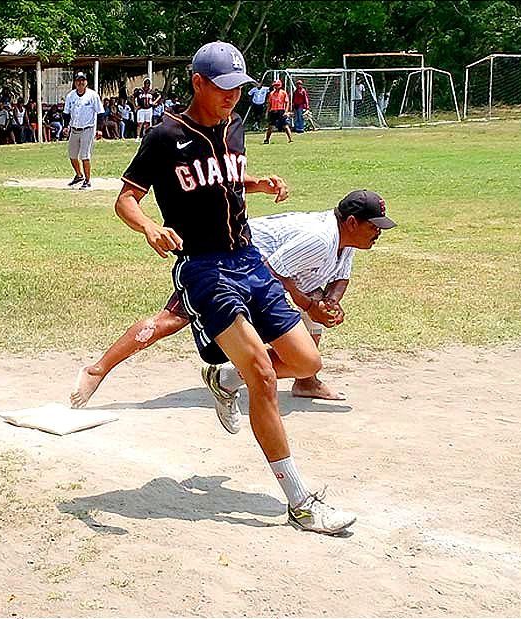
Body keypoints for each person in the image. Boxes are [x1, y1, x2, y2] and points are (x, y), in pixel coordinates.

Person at [113, 40, 358, 536]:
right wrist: (149, 227)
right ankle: (301, 503)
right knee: (264, 375)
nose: (232, 96)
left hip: (248, 257)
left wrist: (257, 184)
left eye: (238, 88)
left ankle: (225, 378)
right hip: (204, 268)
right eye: (223, 87)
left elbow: (221, 181)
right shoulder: (165, 136)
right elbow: (126, 199)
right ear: (197, 83)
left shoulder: (236, 126)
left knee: (307, 362)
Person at [72, 189, 395, 409]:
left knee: (309, 318)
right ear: (351, 222)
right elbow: (270, 271)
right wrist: (311, 304)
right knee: (171, 320)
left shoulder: (345, 240)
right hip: (231, 261)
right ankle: (96, 371)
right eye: (374, 226)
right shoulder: (319, 239)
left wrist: (331, 303)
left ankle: (306, 380)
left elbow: (339, 276)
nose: (378, 233)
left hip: (260, 268)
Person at [64, 71, 103, 190]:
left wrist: (99, 129)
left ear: (86, 82)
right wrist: (66, 127)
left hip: (88, 128)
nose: (80, 83)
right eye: (78, 80)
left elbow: (100, 113)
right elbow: (66, 113)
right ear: (75, 83)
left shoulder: (92, 95)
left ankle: (87, 180)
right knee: (72, 155)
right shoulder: (70, 96)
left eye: (83, 80)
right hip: (74, 128)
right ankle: (79, 175)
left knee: (85, 155)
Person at [264, 79, 292, 144]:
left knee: (285, 126)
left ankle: (290, 139)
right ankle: (267, 139)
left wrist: (286, 111)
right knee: (270, 127)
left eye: (277, 85)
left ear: (280, 85)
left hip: (281, 111)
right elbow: (269, 104)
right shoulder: (271, 93)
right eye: (275, 85)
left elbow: (287, 102)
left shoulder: (283, 93)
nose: (276, 87)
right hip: (273, 111)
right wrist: (267, 112)